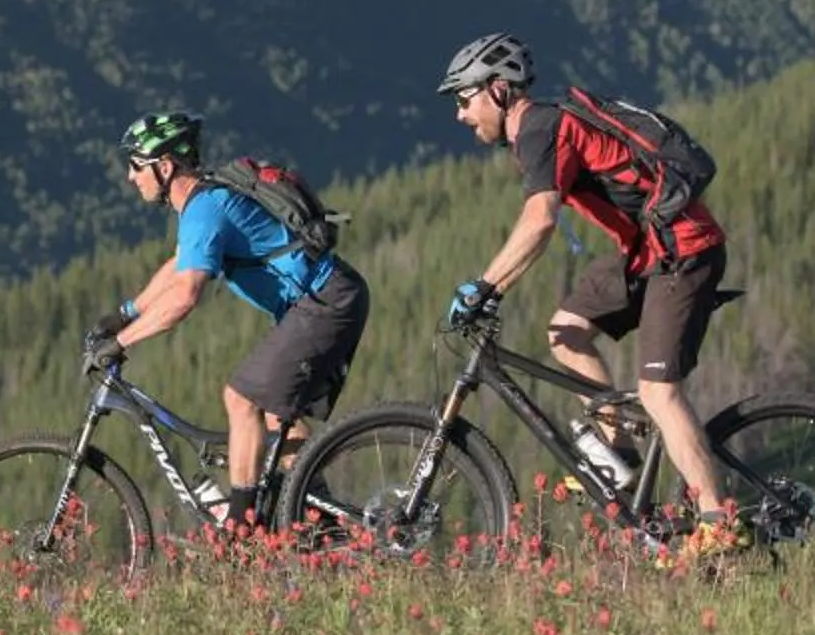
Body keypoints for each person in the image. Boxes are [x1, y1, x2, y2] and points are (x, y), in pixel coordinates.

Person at [436, 33, 737, 551]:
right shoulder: (540, 128)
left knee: (658, 392)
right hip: (647, 251)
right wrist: (493, 290)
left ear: (499, 91)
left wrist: (484, 287)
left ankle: (717, 523)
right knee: (567, 330)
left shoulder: (540, 128)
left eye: (465, 99)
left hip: (682, 251)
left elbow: (539, 222)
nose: (461, 115)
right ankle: (618, 450)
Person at [82, 110, 371, 528]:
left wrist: (122, 343)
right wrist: (126, 315)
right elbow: (181, 264)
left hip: (326, 301)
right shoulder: (205, 200)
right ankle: (317, 521)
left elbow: (184, 297)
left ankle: (241, 525)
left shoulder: (204, 207)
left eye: (136, 165)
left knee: (241, 398)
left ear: (164, 167)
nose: (130, 177)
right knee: (276, 415)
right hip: (327, 298)